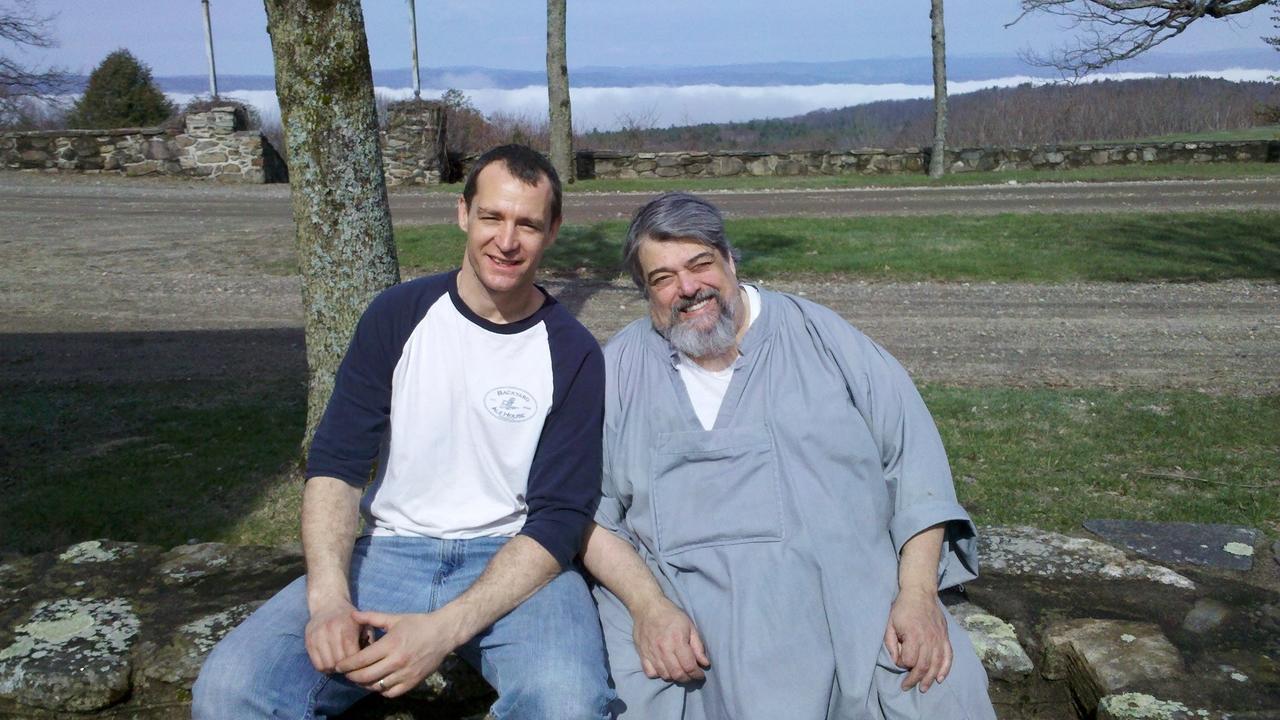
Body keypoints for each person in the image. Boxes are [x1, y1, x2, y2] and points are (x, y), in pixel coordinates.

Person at [193, 145, 614, 719]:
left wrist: (442, 630)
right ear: (463, 213)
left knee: (569, 702)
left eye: (528, 224)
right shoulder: (397, 315)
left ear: (553, 231)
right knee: (231, 687)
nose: (506, 241)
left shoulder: (574, 352)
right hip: (390, 551)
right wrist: (329, 601)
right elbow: (336, 467)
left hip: (514, 563)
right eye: (491, 217)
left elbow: (560, 517)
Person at [581, 192, 997, 719]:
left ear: (730, 261)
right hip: (686, 626)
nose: (687, 288)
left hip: (850, 610)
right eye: (663, 278)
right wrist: (648, 608)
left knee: (939, 690)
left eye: (700, 264)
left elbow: (916, 471)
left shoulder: (825, 339)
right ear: (645, 292)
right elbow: (586, 514)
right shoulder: (617, 372)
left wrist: (917, 595)